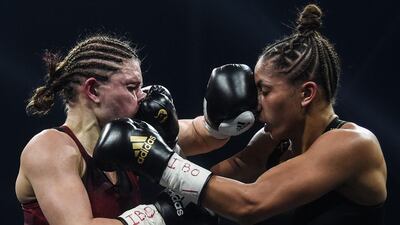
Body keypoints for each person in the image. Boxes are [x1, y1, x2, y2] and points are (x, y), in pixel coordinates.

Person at [94, 4, 387, 225]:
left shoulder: (352, 145)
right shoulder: (275, 141)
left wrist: (158, 159)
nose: (255, 104)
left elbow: (251, 203)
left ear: (306, 94)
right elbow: (221, 175)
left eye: (264, 90)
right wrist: (152, 213)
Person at [15, 34, 259, 225]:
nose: (142, 97)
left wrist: (223, 118)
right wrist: (159, 216)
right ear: (93, 91)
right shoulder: (50, 149)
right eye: (132, 87)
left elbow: (200, 134)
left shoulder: (129, 133)